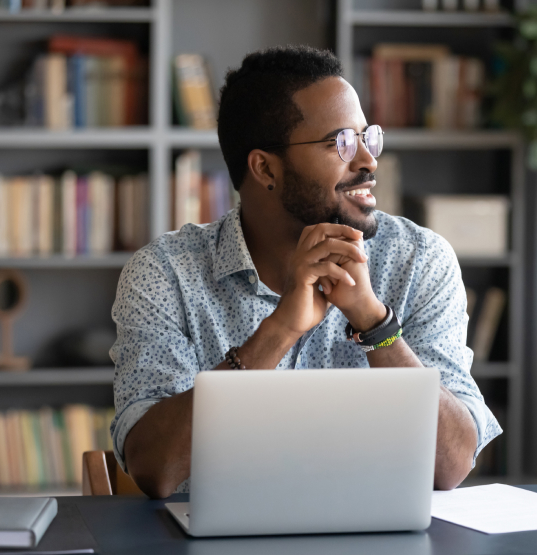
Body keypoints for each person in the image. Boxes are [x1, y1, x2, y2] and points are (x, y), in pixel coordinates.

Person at [110, 45, 501, 499]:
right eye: (341, 143)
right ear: (265, 168)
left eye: (366, 138)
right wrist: (278, 331)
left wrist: (376, 325)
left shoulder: (419, 260)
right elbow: (155, 469)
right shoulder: (166, 274)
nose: (368, 162)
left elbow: (452, 465)